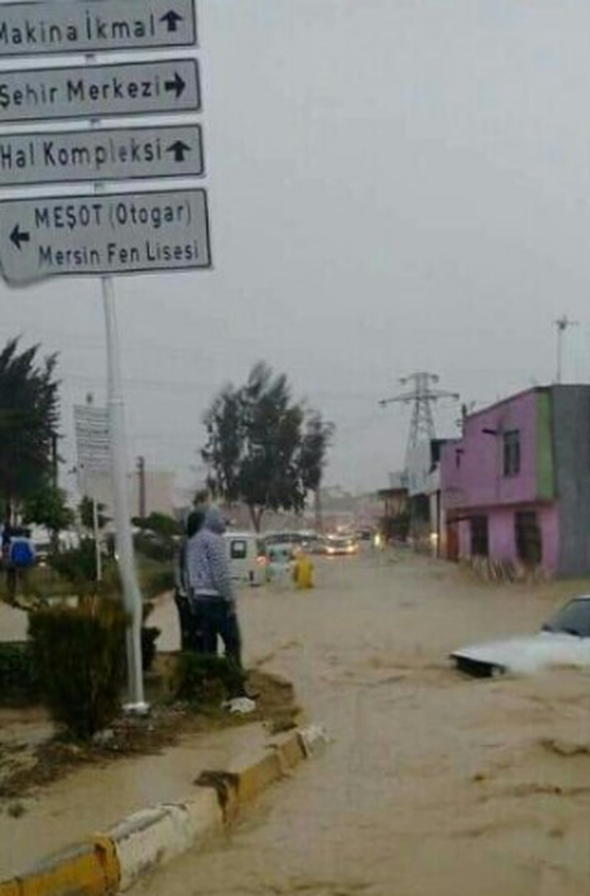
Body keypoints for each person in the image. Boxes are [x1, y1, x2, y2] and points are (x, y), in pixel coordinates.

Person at [186, 507, 243, 670]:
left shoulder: (193, 541)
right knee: (233, 643)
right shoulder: (214, 540)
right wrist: (230, 599)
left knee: (208, 647)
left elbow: (189, 575)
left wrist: (192, 600)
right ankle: (235, 686)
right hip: (217, 600)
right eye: (222, 521)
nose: (225, 525)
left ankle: (210, 685)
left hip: (199, 599)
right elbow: (221, 574)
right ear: (213, 521)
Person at [174, 509, 205, 651]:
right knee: (189, 631)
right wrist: (184, 592)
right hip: (186, 595)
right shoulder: (185, 543)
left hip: (196, 594)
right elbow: (180, 569)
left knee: (199, 631)